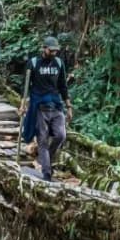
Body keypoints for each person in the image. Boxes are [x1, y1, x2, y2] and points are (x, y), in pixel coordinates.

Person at [23, 37, 71, 181]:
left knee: (61, 135)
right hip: (39, 107)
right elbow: (25, 86)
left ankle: (45, 160)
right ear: (44, 48)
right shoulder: (33, 63)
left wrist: (69, 106)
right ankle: (47, 173)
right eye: (51, 50)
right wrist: (23, 104)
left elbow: (63, 86)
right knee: (42, 140)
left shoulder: (58, 63)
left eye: (56, 50)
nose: (54, 53)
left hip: (56, 106)